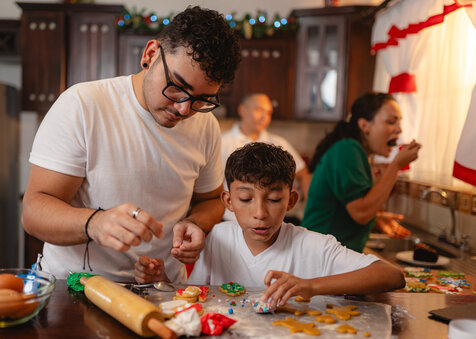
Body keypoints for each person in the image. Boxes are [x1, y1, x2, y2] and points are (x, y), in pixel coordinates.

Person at [21, 6, 241, 281]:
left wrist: (194, 223)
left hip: (161, 290)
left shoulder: (205, 125)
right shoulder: (83, 105)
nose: (184, 110)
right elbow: (33, 211)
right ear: (150, 55)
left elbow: (210, 200)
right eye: (177, 86)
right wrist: (93, 223)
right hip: (75, 293)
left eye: (201, 99)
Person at [135, 142, 405, 306]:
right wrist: (162, 281)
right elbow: (192, 296)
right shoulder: (218, 238)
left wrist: (311, 286)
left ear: (291, 200)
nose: (260, 213)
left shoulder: (314, 245)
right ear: (228, 202)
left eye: (274, 199)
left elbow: (392, 276)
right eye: (245, 198)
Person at [301, 92, 422, 253]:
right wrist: (396, 165)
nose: (399, 130)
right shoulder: (348, 149)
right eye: (391, 122)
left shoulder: (355, 152)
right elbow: (361, 212)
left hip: (326, 254)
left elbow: (347, 210)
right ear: (364, 125)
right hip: (320, 256)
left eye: (399, 122)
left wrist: (376, 220)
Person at [221, 93, 312, 222]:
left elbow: (303, 174)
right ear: (242, 110)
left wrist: (311, 210)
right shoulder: (222, 142)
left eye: (268, 112)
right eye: (259, 110)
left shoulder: (278, 143)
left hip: (272, 221)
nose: (264, 117)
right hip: (231, 219)